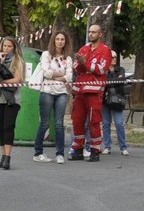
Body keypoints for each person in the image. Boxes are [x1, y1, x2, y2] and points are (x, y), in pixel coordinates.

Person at [70, 23, 112, 161]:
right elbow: (76, 68)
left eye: (94, 32)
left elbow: (101, 69)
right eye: (89, 32)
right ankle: (78, 149)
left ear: (100, 34)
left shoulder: (105, 50)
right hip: (80, 91)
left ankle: (95, 150)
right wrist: (84, 65)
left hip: (94, 92)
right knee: (77, 120)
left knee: (94, 121)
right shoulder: (84, 48)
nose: (91, 34)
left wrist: (85, 63)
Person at [31, 31, 72, 164]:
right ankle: (38, 153)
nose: (60, 41)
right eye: (58, 39)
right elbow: (46, 72)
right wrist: (61, 75)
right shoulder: (46, 55)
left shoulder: (68, 58)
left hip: (62, 93)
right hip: (47, 91)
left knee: (59, 123)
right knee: (44, 123)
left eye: (63, 39)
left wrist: (57, 75)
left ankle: (60, 154)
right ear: (53, 41)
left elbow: (70, 77)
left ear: (65, 42)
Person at [0, 36, 24, 170]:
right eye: (4, 46)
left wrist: (1, 82)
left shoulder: (18, 60)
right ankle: (2, 156)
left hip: (12, 99)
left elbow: (18, 79)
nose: (6, 48)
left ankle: (8, 157)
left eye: (9, 46)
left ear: (14, 48)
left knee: (8, 127)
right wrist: (0, 63)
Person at [103, 51, 130, 156]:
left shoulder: (120, 69)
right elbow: (103, 82)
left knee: (119, 123)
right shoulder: (104, 70)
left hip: (118, 100)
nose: (114, 59)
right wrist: (115, 81)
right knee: (106, 123)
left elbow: (122, 80)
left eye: (115, 57)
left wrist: (110, 82)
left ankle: (123, 147)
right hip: (105, 100)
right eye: (112, 57)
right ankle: (107, 146)